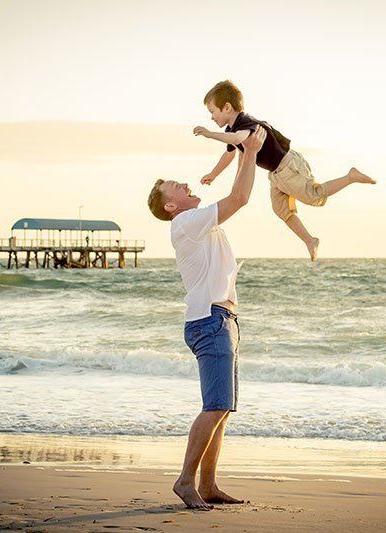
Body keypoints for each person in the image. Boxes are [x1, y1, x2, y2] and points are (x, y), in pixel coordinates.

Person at [147, 127, 267, 510]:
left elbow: (234, 195)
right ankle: (186, 481)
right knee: (215, 406)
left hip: (223, 321)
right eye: (175, 187)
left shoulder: (198, 224)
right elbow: (241, 197)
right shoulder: (186, 223)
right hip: (209, 321)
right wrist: (250, 151)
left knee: (223, 410)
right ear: (171, 206)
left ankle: (210, 485)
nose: (184, 183)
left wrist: (240, 153)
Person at [194, 80, 377, 261]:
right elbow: (230, 154)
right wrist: (213, 175)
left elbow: (238, 138)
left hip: (288, 166)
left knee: (314, 196)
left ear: (226, 107)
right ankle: (310, 240)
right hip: (275, 173)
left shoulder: (245, 123)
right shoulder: (232, 128)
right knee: (281, 210)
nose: (211, 117)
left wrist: (210, 134)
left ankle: (351, 176)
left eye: (212, 112)